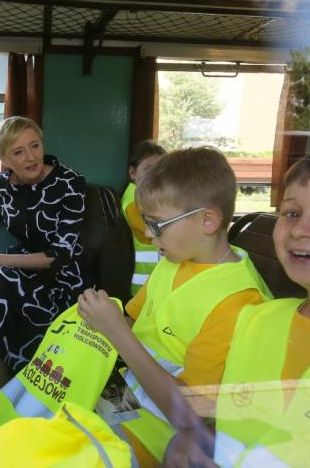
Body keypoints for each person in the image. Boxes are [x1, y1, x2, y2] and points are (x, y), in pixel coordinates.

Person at [164, 143, 310, 468]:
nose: (300, 229)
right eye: (291, 213)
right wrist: (193, 438)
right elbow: (234, 420)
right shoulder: (255, 321)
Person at [77, 146, 272, 466]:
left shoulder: (237, 300)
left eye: (157, 225)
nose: (151, 238)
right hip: (127, 394)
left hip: (161, 428)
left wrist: (114, 329)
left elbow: (190, 415)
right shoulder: (174, 261)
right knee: (57, 427)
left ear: (207, 220)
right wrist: (103, 319)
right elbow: (134, 323)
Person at [0, 116, 93, 392]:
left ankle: (0, 379)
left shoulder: (70, 183)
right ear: (4, 159)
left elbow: (59, 255)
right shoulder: (1, 183)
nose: (31, 157)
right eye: (19, 152)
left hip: (62, 273)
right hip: (22, 261)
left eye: (35, 146)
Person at [122, 140, 166, 295]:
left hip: (155, 277)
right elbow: (153, 230)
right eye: (148, 169)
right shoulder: (134, 200)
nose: (155, 175)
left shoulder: (151, 197)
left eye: (161, 169)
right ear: (133, 173)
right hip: (143, 280)